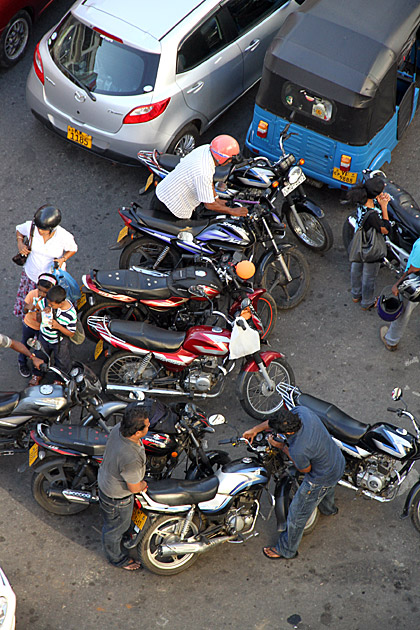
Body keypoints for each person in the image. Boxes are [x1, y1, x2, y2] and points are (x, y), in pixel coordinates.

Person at [243, 406, 345, 560]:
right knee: (327, 489)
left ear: (288, 433)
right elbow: (274, 422)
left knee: (297, 515)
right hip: (336, 460)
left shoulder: (299, 449)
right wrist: (255, 429)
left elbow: (305, 470)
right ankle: (329, 510)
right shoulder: (302, 412)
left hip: (320, 477)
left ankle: (287, 550)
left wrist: (282, 447)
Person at [97, 403, 150, 570]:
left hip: (105, 479)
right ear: (137, 432)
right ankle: (116, 558)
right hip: (116, 498)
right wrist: (143, 484)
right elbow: (134, 488)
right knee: (114, 529)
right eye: (147, 426)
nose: (149, 426)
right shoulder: (130, 457)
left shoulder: (118, 429)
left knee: (116, 523)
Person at [152, 135, 248, 220]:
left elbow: (209, 181)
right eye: (229, 160)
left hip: (167, 195)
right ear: (222, 158)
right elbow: (209, 205)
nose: (229, 162)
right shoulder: (203, 171)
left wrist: (217, 199)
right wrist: (232, 211)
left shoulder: (206, 149)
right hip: (171, 206)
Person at [14, 205, 78, 320]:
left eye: (43, 229)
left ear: (52, 228)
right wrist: (20, 243)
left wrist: (63, 259)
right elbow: (19, 230)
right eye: (38, 228)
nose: (39, 231)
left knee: (49, 305)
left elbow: (73, 249)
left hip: (51, 279)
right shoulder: (31, 227)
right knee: (30, 300)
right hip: (32, 274)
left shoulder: (64, 236)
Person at [346, 178, 390, 310]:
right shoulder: (372, 215)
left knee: (356, 267)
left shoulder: (361, 200)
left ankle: (356, 294)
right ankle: (367, 301)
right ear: (375, 195)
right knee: (368, 276)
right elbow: (385, 229)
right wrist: (384, 207)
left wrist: (377, 200)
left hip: (359, 241)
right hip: (370, 246)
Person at [29, 285, 77, 386]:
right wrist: (42, 312)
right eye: (48, 303)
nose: (49, 306)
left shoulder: (71, 314)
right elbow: (38, 318)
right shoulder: (45, 302)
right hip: (44, 337)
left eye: (52, 305)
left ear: (61, 303)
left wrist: (58, 326)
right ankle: (37, 374)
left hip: (59, 341)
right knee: (39, 355)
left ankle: (60, 379)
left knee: (62, 361)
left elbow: (71, 333)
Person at [380, 236, 420, 351]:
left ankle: (391, 341)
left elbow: (413, 269)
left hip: (415, 283)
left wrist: (398, 284)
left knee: (404, 311)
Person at [18, 273, 57, 378]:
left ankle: (40, 365)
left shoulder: (51, 301)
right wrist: (27, 307)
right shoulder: (32, 294)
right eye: (40, 290)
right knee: (25, 343)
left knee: (41, 347)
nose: (42, 294)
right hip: (29, 324)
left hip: (42, 328)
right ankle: (22, 362)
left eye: (45, 292)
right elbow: (24, 310)